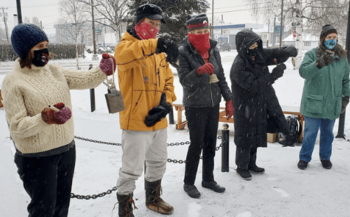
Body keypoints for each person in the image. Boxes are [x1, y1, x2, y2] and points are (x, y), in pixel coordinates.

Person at [2, 23, 115, 217]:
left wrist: (102, 70)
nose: (44, 51)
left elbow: (86, 79)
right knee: (43, 212)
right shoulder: (13, 81)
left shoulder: (55, 72)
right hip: (38, 159)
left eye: (45, 45)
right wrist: (46, 118)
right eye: (38, 47)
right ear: (24, 50)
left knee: (61, 209)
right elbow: (17, 127)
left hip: (66, 151)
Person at [113, 3, 178, 216]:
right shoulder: (126, 45)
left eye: (158, 24)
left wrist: (166, 104)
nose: (155, 28)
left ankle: (153, 199)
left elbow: (169, 80)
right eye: (151, 23)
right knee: (130, 169)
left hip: (158, 121)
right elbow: (122, 58)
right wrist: (154, 44)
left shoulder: (158, 52)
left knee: (158, 163)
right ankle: (125, 210)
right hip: (135, 122)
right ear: (138, 23)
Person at [178, 14, 233, 198]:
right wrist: (199, 71)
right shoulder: (184, 51)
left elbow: (222, 77)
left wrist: (229, 98)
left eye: (205, 31)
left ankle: (208, 179)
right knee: (196, 144)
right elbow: (185, 81)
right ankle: (189, 182)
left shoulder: (214, 49)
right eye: (198, 31)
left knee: (210, 143)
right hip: (195, 105)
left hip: (213, 104)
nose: (203, 34)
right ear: (190, 32)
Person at [230, 29, 298, 181]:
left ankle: (251, 164)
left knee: (255, 135)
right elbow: (254, 86)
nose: (255, 45)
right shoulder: (239, 65)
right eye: (251, 44)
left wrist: (286, 52)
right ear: (243, 46)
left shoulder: (257, 54)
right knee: (245, 138)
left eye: (256, 42)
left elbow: (273, 54)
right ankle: (242, 167)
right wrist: (273, 75)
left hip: (257, 104)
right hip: (245, 106)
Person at [297, 24, 350, 170]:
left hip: (332, 102)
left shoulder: (341, 58)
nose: (332, 40)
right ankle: (304, 158)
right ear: (322, 39)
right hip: (314, 102)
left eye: (334, 37)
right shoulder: (312, 54)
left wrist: (346, 97)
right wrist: (319, 63)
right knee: (310, 133)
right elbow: (303, 72)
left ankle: (325, 157)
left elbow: (346, 79)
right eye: (329, 37)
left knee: (328, 134)